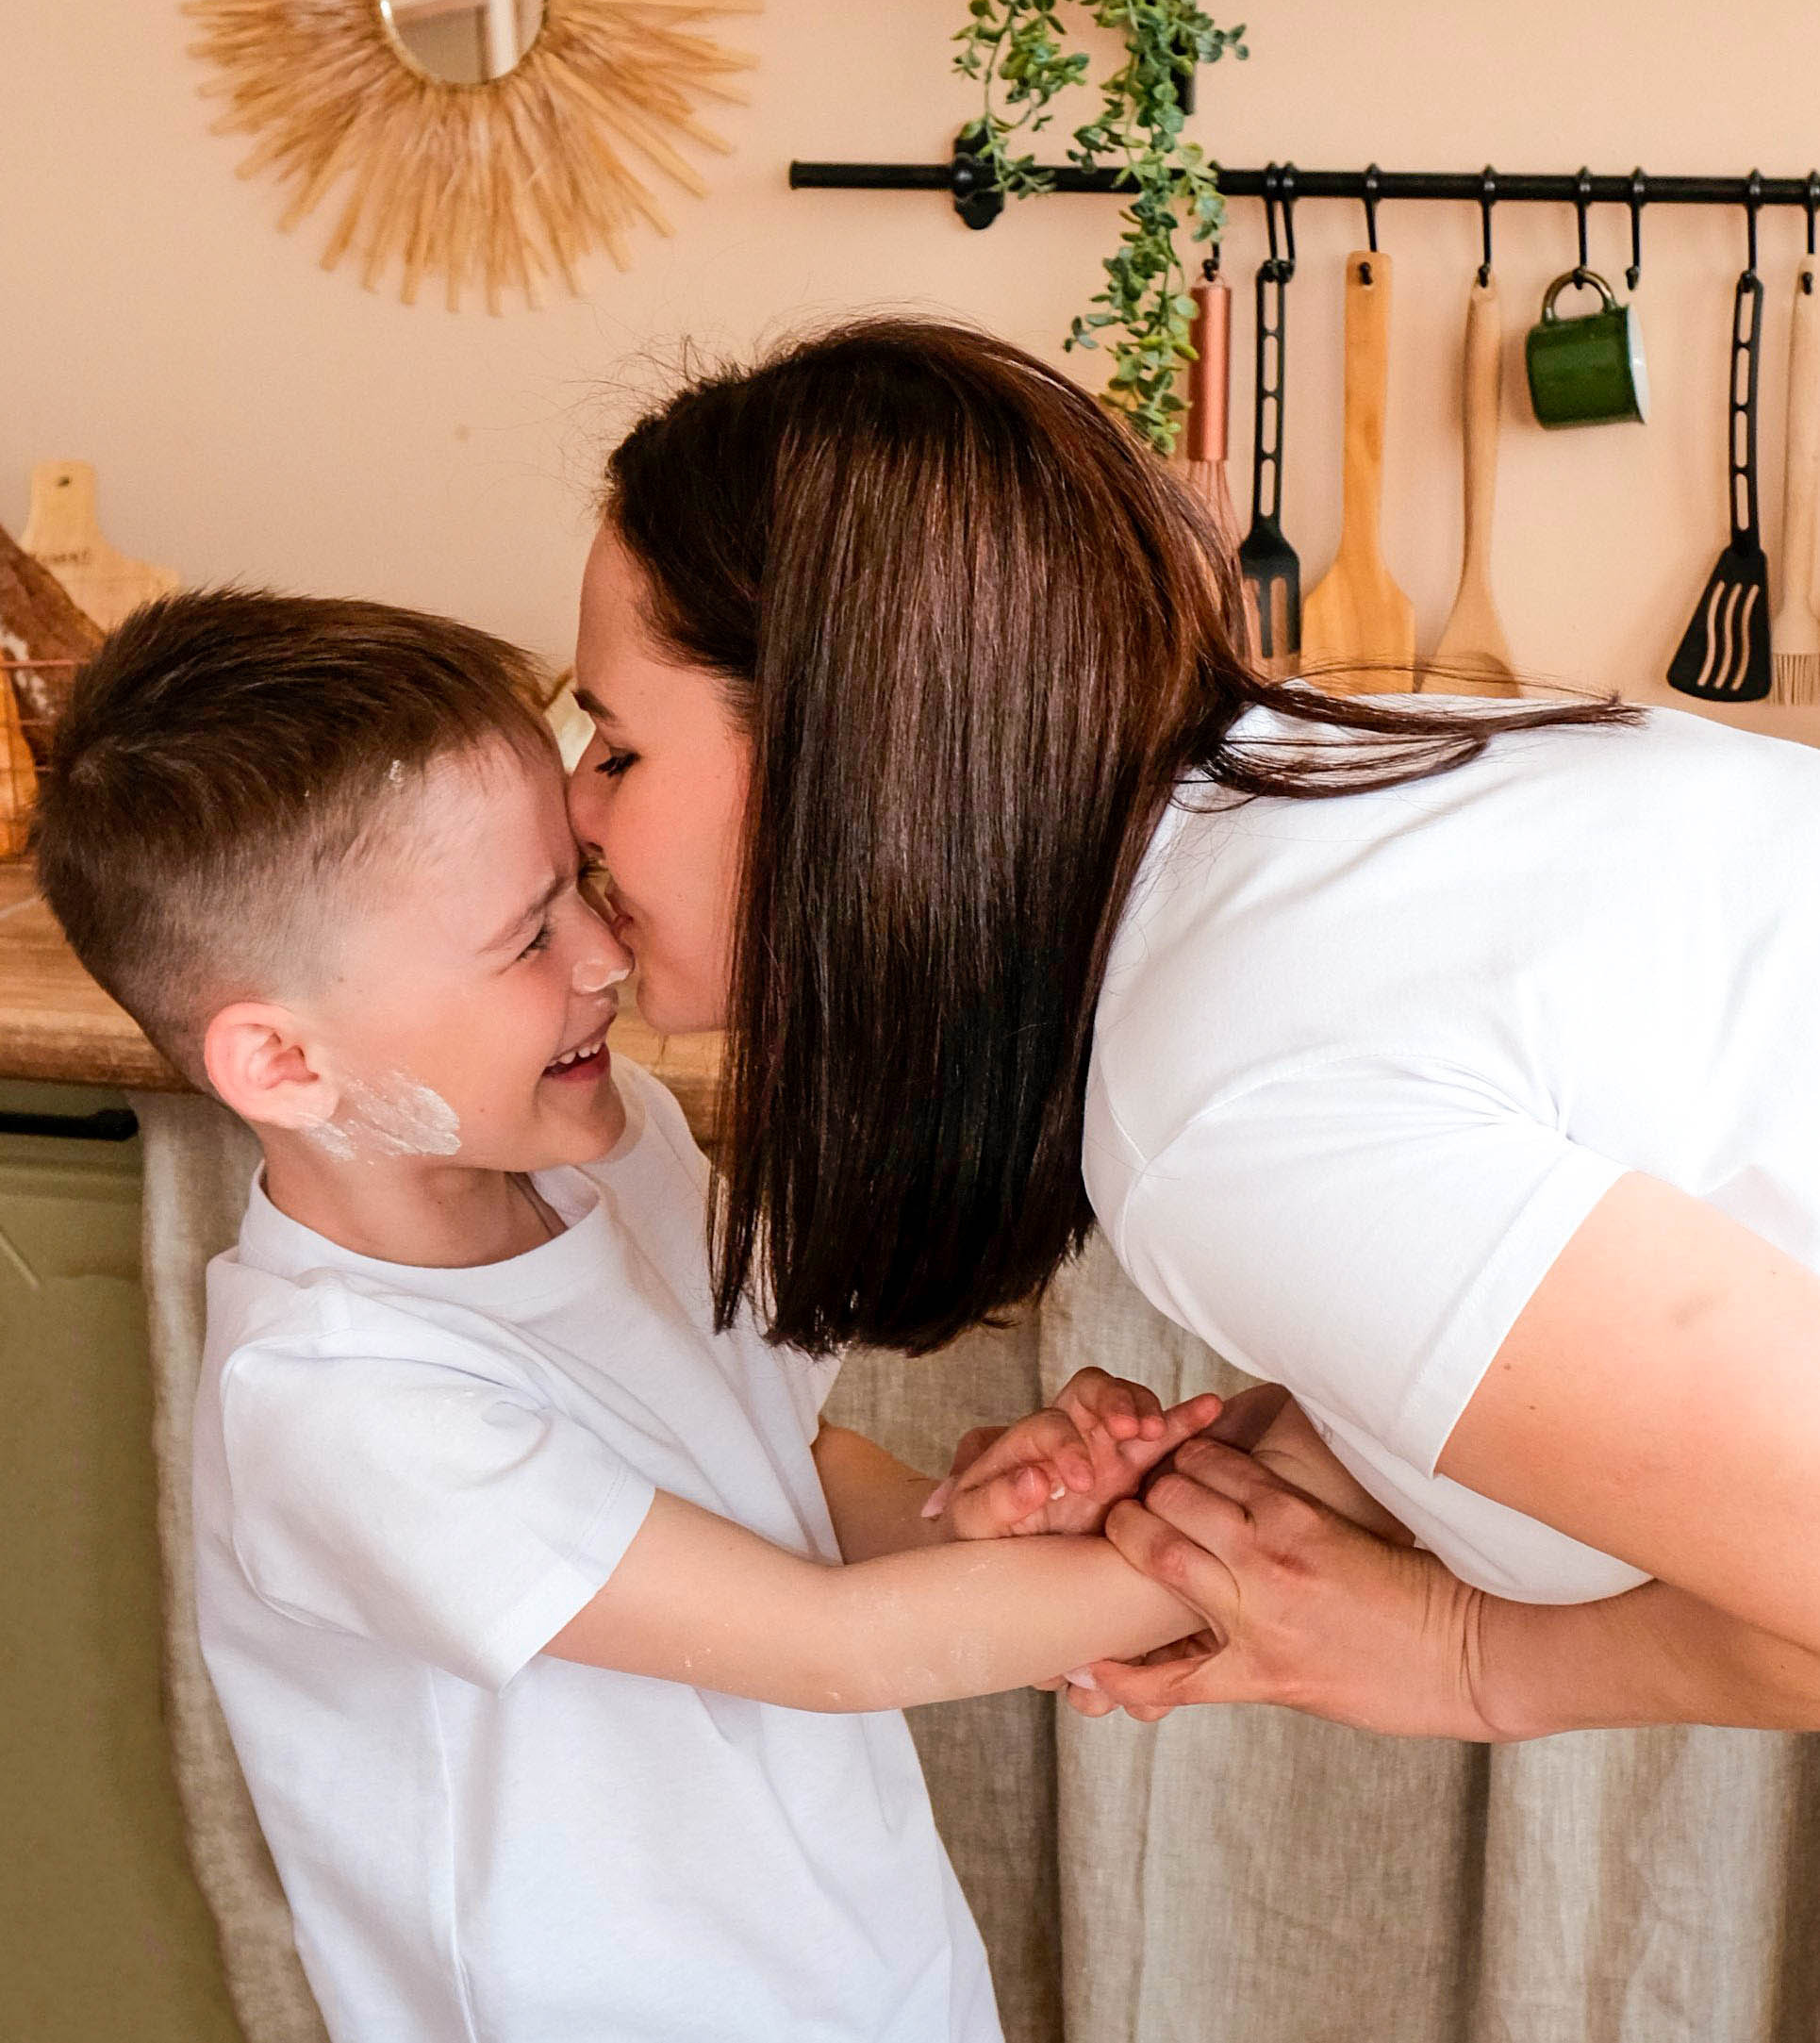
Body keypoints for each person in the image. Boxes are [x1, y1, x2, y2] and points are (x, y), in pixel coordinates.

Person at [568, 313, 1820, 1746]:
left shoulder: (1224, 1098)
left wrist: (1473, 1661)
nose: (576, 813)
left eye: (615, 744)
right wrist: (1293, 1465)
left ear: (838, 753)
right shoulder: (1313, 795)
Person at [31, 586, 1233, 2043]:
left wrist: (976, 1526)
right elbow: (825, 1643)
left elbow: (772, 1466)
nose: (602, 954)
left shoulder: (618, 1145)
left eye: (576, 885)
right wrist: (1252, 1551)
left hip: (869, 1975)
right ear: (283, 1061)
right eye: (523, 938)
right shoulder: (339, 1405)